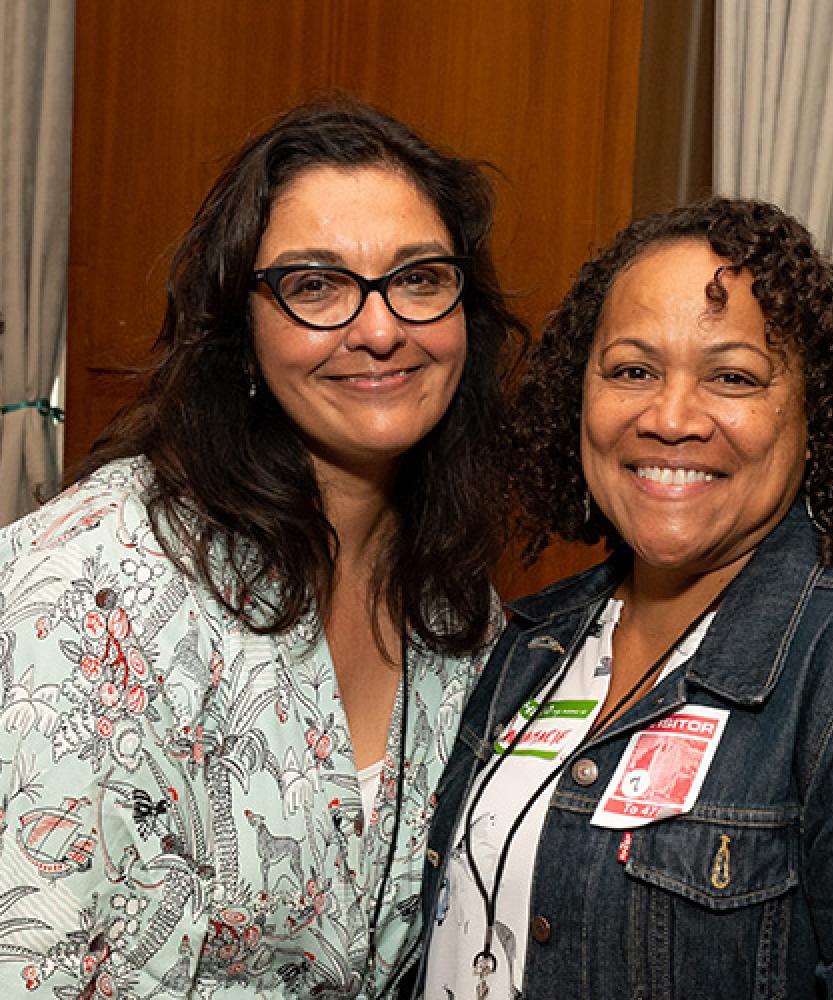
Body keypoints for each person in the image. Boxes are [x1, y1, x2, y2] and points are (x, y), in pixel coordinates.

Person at [417, 198, 833, 999]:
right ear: (577, 397)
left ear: (812, 417)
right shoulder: (530, 640)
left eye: (731, 377)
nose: (669, 418)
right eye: (632, 370)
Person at [0, 98, 525, 998]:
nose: (379, 328)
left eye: (419, 277)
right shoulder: (86, 588)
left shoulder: (458, 607)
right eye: (314, 286)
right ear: (237, 329)